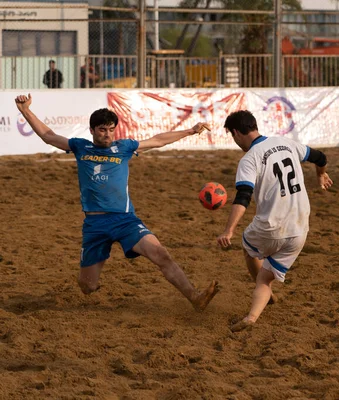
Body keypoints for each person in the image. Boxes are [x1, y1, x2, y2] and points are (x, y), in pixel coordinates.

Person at [14, 93, 219, 311]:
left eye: (111, 129)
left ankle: (194, 296)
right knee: (87, 286)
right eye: (102, 130)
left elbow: (158, 140)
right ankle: (97, 266)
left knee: (161, 254)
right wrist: (25, 110)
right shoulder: (80, 147)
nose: (107, 134)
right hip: (95, 225)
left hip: (125, 220)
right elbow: (48, 135)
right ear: (92, 130)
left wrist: (190, 131)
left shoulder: (124, 147)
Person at [216, 110, 333, 332]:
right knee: (266, 277)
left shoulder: (249, 158)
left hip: (271, 226)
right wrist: (320, 174)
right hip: (300, 229)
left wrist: (228, 230)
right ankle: (252, 316)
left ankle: (256, 306)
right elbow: (321, 157)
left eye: (232, 136)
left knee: (247, 246)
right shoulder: (286, 142)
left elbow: (243, 197)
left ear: (236, 133)